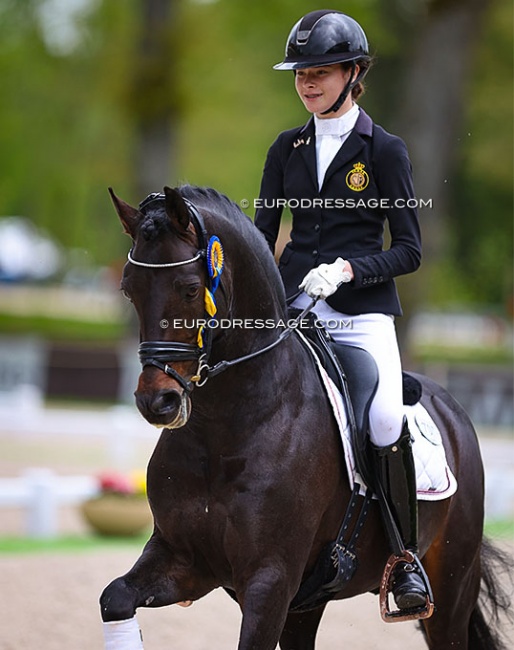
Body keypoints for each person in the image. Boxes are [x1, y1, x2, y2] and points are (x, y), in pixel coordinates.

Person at [254, 9, 429, 612]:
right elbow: (261, 237)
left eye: (321, 70)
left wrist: (352, 268)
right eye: (301, 71)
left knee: (382, 419)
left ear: (354, 73)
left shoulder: (384, 151)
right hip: (298, 311)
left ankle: (405, 560)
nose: (307, 81)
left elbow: (409, 250)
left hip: (360, 315)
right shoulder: (286, 148)